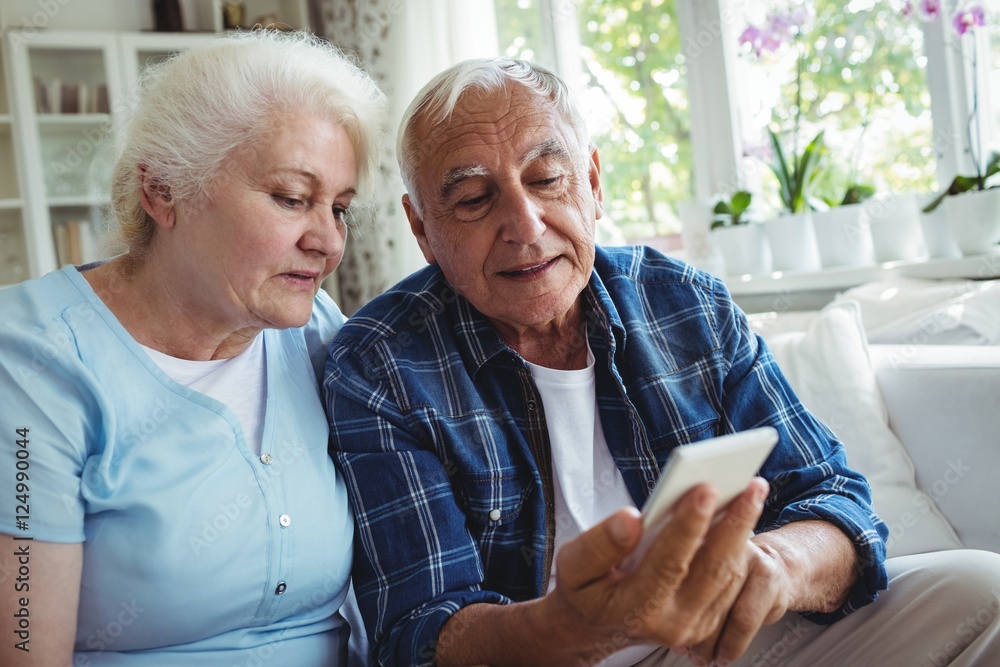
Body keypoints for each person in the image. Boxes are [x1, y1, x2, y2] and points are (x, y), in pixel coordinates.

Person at [324, 57, 1000, 667]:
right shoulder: (378, 364)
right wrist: (578, 626)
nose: (525, 225)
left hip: (721, 643)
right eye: (475, 199)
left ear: (590, 182)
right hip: (548, 659)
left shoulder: (685, 303)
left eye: (547, 179)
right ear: (423, 231)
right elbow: (419, 635)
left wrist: (777, 565)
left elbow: (834, 497)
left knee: (980, 588)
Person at [0, 30, 386, 666]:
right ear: (163, 192)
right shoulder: (35, 363)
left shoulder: (319, 334)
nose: (328, 241)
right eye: (292, 198)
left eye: (339, 208)